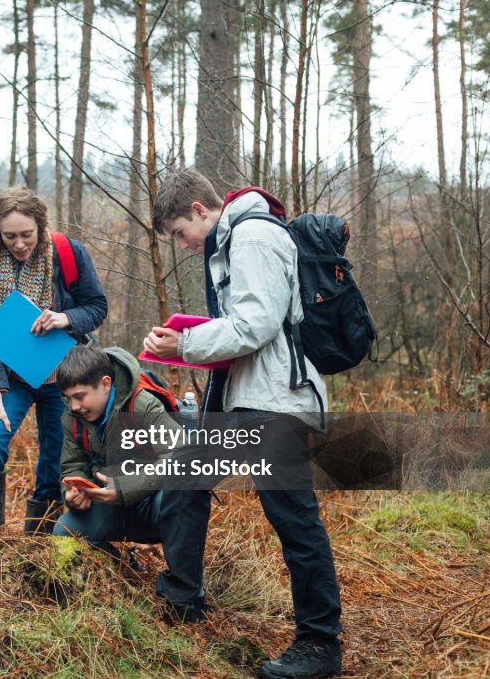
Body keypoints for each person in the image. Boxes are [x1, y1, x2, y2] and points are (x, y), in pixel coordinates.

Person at [144, 169, 342, 679]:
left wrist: (185, 344)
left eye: (179, 233)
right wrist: (192, 335)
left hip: (275, 400)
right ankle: (182, 600)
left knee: (294, 517)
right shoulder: (231, 240)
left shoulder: (253, 234)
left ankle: (320, 644)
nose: (183, 245)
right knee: (186, 473)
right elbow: (244, 325)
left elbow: (256, 323)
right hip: (243, 399)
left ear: (197, 211)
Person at [0, 187, 107, 534]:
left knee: (56, 457)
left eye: (27, 235)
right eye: (9, 236)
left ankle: (42, 541)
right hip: (10, 378)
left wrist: (65, 319)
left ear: (41, 228)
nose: (19, 244)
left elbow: (96, 306)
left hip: (63, 376)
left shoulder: (69, 254)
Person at [52, 343, 174, 558]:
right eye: (69, 398)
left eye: (79, 396)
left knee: (183, 498)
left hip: (153, 503)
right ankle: (118, 567)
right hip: (109, 506)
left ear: (106, 384)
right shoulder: (72, 418)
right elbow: (73, 466)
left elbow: (178, 458)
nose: (74, 406)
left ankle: (183, 586)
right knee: (64, 531)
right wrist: (72, 496)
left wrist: (125, 488)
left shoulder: (143, 404)